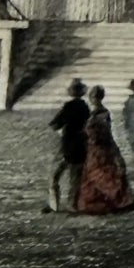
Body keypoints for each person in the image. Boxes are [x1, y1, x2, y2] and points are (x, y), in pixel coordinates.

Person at [76, 85, 132, 216]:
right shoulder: (91, 114)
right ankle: (95, 201)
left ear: (100, 97)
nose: (94, 99)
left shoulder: (102, 113)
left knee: (102, 173)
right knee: (92, 174)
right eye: (93, 97)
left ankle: (109, 201)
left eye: (96, 96)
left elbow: (106, 133)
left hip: (101, 148)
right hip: (92, 148)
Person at [45, 79, 90, 213]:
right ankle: (72, 205)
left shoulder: (69, 106)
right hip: (81, 144)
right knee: (75, 178)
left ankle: (54, 205)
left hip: (67, 144)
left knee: (54, 176)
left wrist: (61, 130)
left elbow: (55, 124)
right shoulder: (85, 107)